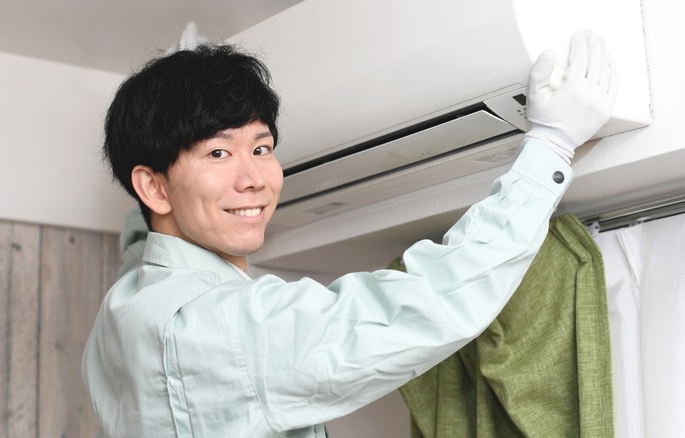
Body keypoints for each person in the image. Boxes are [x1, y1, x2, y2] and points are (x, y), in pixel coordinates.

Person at [82, 30, 618, 437]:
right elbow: (421, 306)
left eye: (261, 148)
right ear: (153, 186)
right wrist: (550, 143)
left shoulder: (126, 306)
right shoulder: (219, 326)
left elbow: (141, 245)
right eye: (218, 153)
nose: (254, 180)